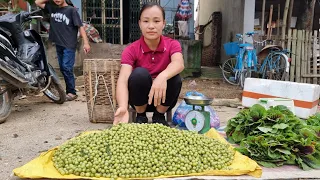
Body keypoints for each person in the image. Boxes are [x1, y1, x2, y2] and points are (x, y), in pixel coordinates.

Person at [113, 3, 184, 126]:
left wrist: (162, 77)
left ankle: (159, 115)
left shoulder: (172, 44)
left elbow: (179, 63)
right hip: (139, 101)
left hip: (163, 100)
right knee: (139, 74)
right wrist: (123, 107)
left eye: (156, 21)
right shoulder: (131, 49)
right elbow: (123, 79)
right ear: (140, 23)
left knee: (175, 77)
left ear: (163, 23)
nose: (151, 26)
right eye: (146, 21)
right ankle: (141, 116)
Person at [35, 0, 91, 101]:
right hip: (58, 43)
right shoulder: (52, 8)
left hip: (69, 44)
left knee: (66, 67)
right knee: (63, 67)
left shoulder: (71, 11)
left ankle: (72, 92)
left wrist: (86, 43)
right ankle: (69, 88)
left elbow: (80, 27)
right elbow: (37, 2)